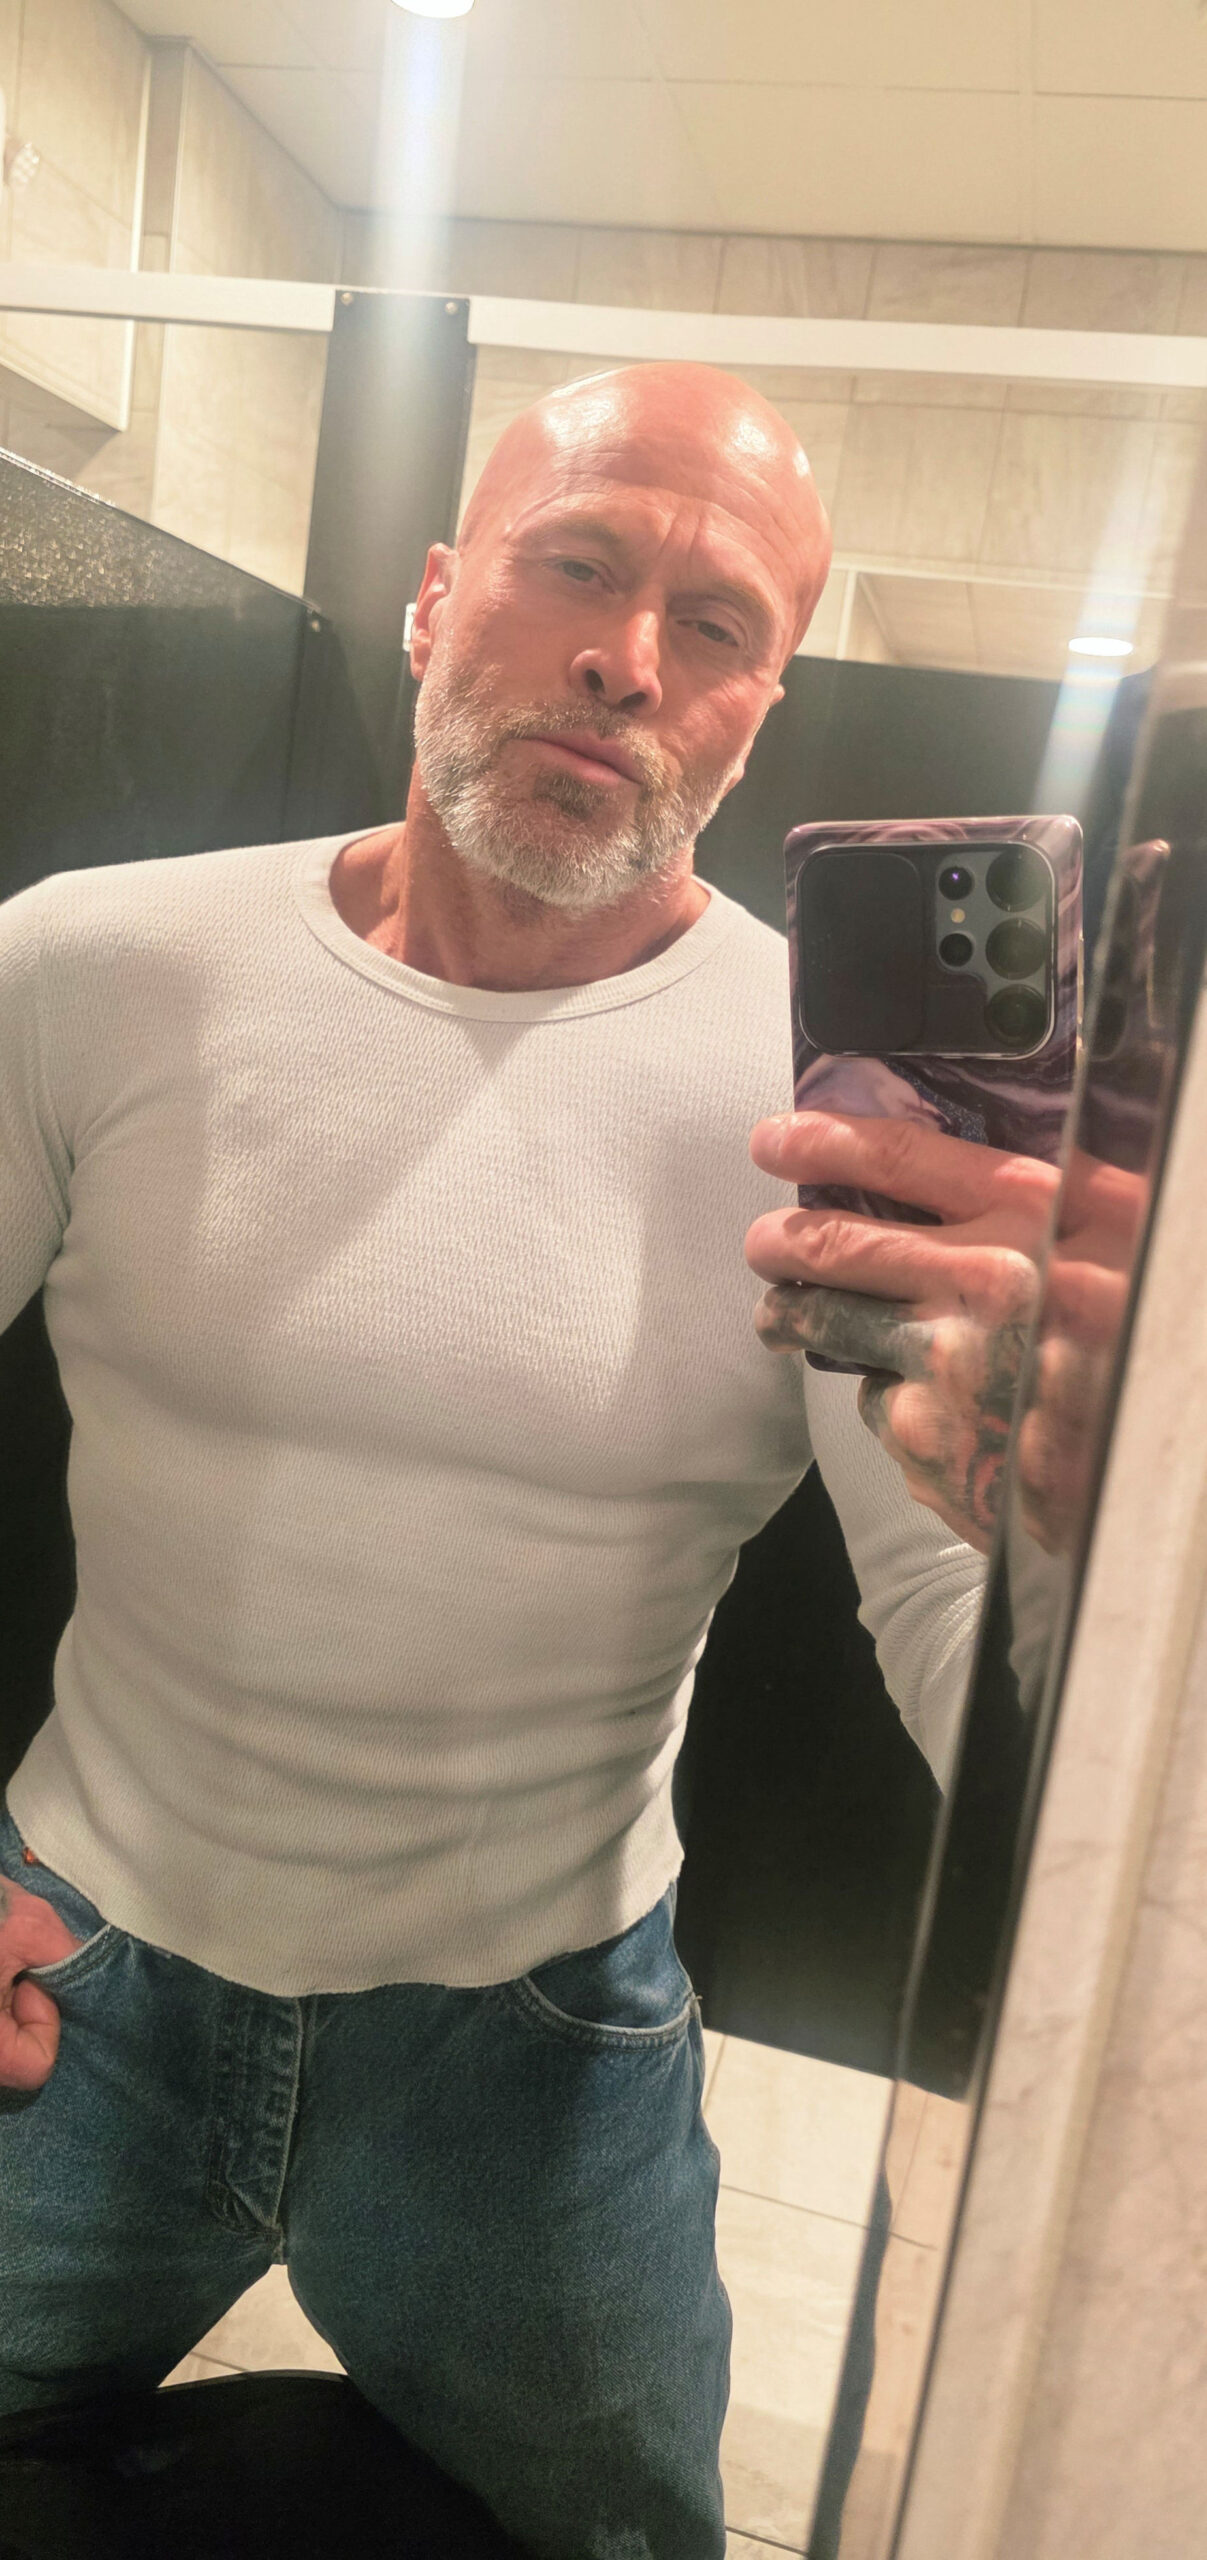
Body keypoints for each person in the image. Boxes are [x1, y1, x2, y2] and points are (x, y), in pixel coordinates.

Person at [0, 361, 1038, 2560]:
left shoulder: (843, 1110)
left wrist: (1093, 1621)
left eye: (716, 623)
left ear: (757, 709)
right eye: (577, 564)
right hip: (76, 1974)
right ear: (432, 596)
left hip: (540, 2036)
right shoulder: (91, 966)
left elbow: (952, 1605)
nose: (628, 659)